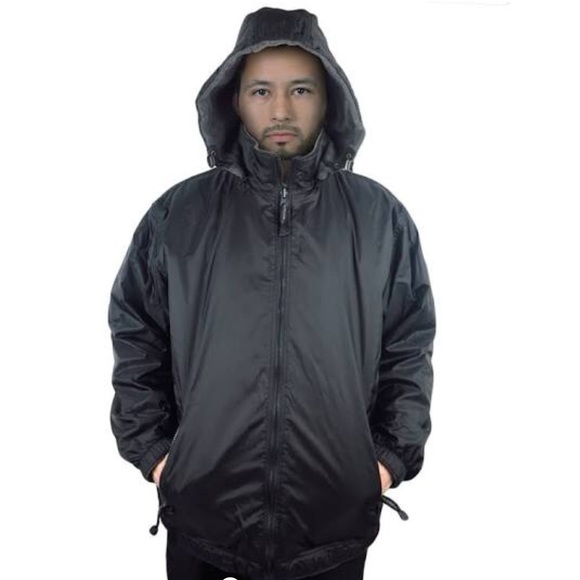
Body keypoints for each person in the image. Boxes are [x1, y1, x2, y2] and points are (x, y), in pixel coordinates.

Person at [108, 7, 436, 580]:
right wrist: (158, 454)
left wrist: (387, 459)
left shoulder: (379, 218)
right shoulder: (179, 214)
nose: (281, 109)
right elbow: (137, 332)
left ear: (329, 99)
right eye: (261, 90)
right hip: (202, 515)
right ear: (234, 100)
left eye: (301, 90)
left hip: (333, 522)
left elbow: (408, 345)